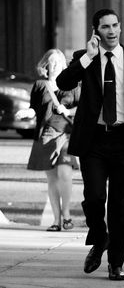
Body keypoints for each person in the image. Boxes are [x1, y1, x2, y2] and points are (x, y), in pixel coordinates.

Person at [56, 8, 124, 281]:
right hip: (93, 140)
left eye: (115, 25)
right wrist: (87, 57)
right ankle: (100, 237)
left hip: (123, 141)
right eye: (105, 26)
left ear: (120, 27)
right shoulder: (85, 60)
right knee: (94, 197)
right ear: (96, 31)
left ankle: (116, 263)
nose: (112, 31)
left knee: (119, 206)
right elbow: (62, 82)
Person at [17, 49, 80, 232]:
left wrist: (68, 111)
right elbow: (34, 108)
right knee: (52, 179)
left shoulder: (73, 85)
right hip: (45, 134)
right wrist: (26, 113)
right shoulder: (40, 85)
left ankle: (67, 214)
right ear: (45, 65)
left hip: (67, 134)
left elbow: (83, 108)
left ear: (63, 65)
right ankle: (56, 220)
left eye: (56, 62)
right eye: (50, 62)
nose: (53, 66)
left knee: (65, 174)